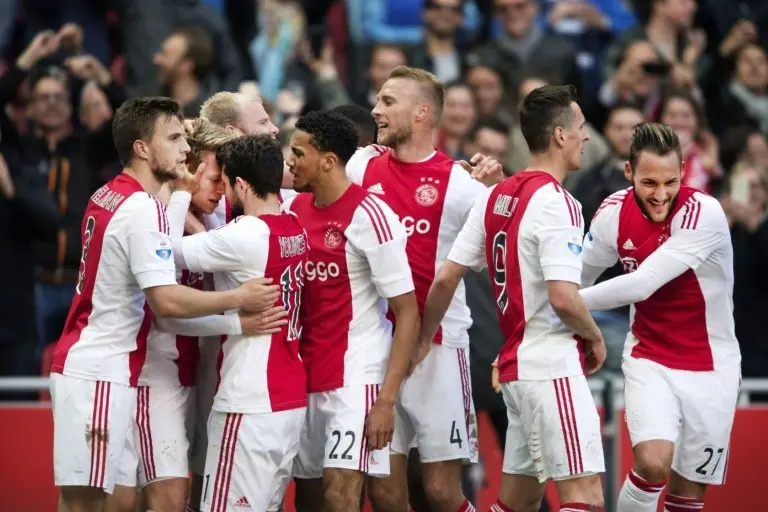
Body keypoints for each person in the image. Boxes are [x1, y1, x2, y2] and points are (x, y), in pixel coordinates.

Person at [49, 96, 280, 512]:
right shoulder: (143, 208)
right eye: (173, 138)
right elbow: (166, 301)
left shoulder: (111, 194)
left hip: (102, 364)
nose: (184, 149)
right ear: (142, 147)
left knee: (97, 502)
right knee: (90, 503)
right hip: (104, 367)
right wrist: (238, 302)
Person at [420, 84, 606, 512]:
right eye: (580, 128)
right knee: (586, 496)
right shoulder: (560, 203)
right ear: (560, 136)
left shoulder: (495, 196)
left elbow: (447, 276)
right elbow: (563, 297)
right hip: (551, 364)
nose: (586, 137)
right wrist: (594, 337)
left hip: (517, 372)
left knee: (519, 501)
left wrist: (422, 338)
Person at [345, 65, 502, 512]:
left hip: (439, 349)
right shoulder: (361, 167)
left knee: (439, 490)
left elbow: (499, 256)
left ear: (422, 112)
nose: (376, 109)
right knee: (385, 490)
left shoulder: (461, 186)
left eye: (388, 102)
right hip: (377, 344)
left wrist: (494, 188)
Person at [580, 122, 742, 512]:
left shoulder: (704, 212)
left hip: (712, 365)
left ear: (683, 171)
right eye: (649, 182)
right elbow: (580, 273)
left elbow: (642, 283)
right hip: (648, 357)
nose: (661, 194)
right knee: (652, 463)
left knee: (687, 495)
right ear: (629, 172)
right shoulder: (612, 214)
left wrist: (567, 301)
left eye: (671, 181)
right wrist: (561, 304)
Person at [108, 119, 267, 512]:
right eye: (213, 179)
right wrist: (237, 317)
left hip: (191, 374)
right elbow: (167, 313)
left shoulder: (214, 215)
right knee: (157, 499)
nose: (222, 189)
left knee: (188, 495)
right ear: (189, 172)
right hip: (153, 371)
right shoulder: (155, 215)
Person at [284, 110, 420, 512]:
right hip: (304, 372)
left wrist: (386, 400)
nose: (289, 160)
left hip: (355, 376)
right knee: (308, 498)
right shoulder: (292, 209)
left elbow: (407, 313)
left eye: (298, 152)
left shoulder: (372, 217)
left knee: (340, 496)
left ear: (327, 160)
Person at [166, 134, 309, 511]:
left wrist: (180, 193)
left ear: (241, 185)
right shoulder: (295, 226)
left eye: (225, 183)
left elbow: (161, 253)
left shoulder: (244, 235)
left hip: (248, 401)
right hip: (289, 400)